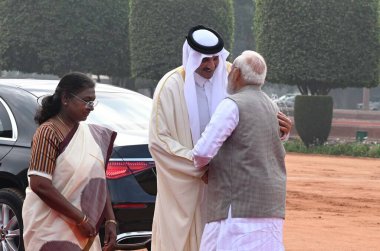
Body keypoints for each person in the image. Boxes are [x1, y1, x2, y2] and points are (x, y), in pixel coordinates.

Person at [149, 25, 292, 251]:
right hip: (186, 184)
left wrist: (282, 130)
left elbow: (258, 119)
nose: (211, 65)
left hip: (231, 188)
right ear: (192, 56)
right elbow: (159, 141)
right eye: (204, 60)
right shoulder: (171, 86)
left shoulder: (234, 75)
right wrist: (201, 168)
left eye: (215, 59)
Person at [192, 50, 287, 251]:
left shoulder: (232, 105)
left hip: (236, 208)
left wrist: (203, 168)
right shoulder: (273, 107)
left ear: (235, 73)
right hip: (271, 207)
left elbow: (202, 152)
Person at [22, 72, 117, 251]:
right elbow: (40, 184)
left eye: (93, 102)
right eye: (87, 101)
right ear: (65, 98)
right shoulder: (48, 132)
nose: (91, 107)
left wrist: (110, 219)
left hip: (83, 230)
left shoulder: (91, 135)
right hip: (49, 230)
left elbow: (99, 181)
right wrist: (80, 218)